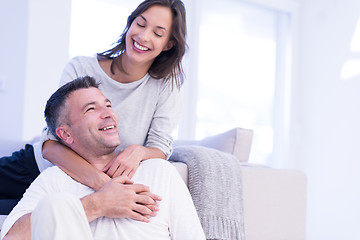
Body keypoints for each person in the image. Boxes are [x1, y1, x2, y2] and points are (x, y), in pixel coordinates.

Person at [0, 0, 187, 212]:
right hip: (34, 168)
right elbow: (51, 143)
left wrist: (138, 152)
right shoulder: (81, 67)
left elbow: (160, 148)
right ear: (130, 23)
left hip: (71, 189)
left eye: (158, 33)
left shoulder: (167, 86)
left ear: (169, 44)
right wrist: (103, 185)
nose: (143, 37)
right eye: (141, 24)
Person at [1, 76, 205, 240]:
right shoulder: (53, 180)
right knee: (55, 205)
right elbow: (11, 237)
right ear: (66, 134)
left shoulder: (159, 172)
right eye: (91, 109)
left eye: (108, 105)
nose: (108, 113)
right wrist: (97, 204)